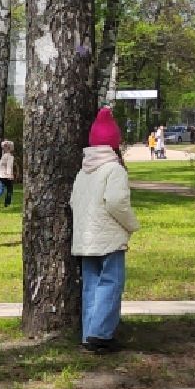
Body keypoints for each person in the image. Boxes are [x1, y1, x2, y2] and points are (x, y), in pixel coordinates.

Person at [70, 108, 138, 353]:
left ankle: (89, 334)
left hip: (85, 239)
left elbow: (73, 202)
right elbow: (117, 202)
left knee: (91, 285)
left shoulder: (83, 171)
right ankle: (102, 334)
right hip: (109, 238)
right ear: (114, 144)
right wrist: (132, 225)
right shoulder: (114, 170)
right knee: (111, 283)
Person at [0, 139, 17, 207]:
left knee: (0, 189)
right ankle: (7, 204)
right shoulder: (10, 156)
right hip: (6, 176)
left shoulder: (3, 156)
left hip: (0, 175)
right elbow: (9, 166)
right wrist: (10, 175)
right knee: (9, 190)